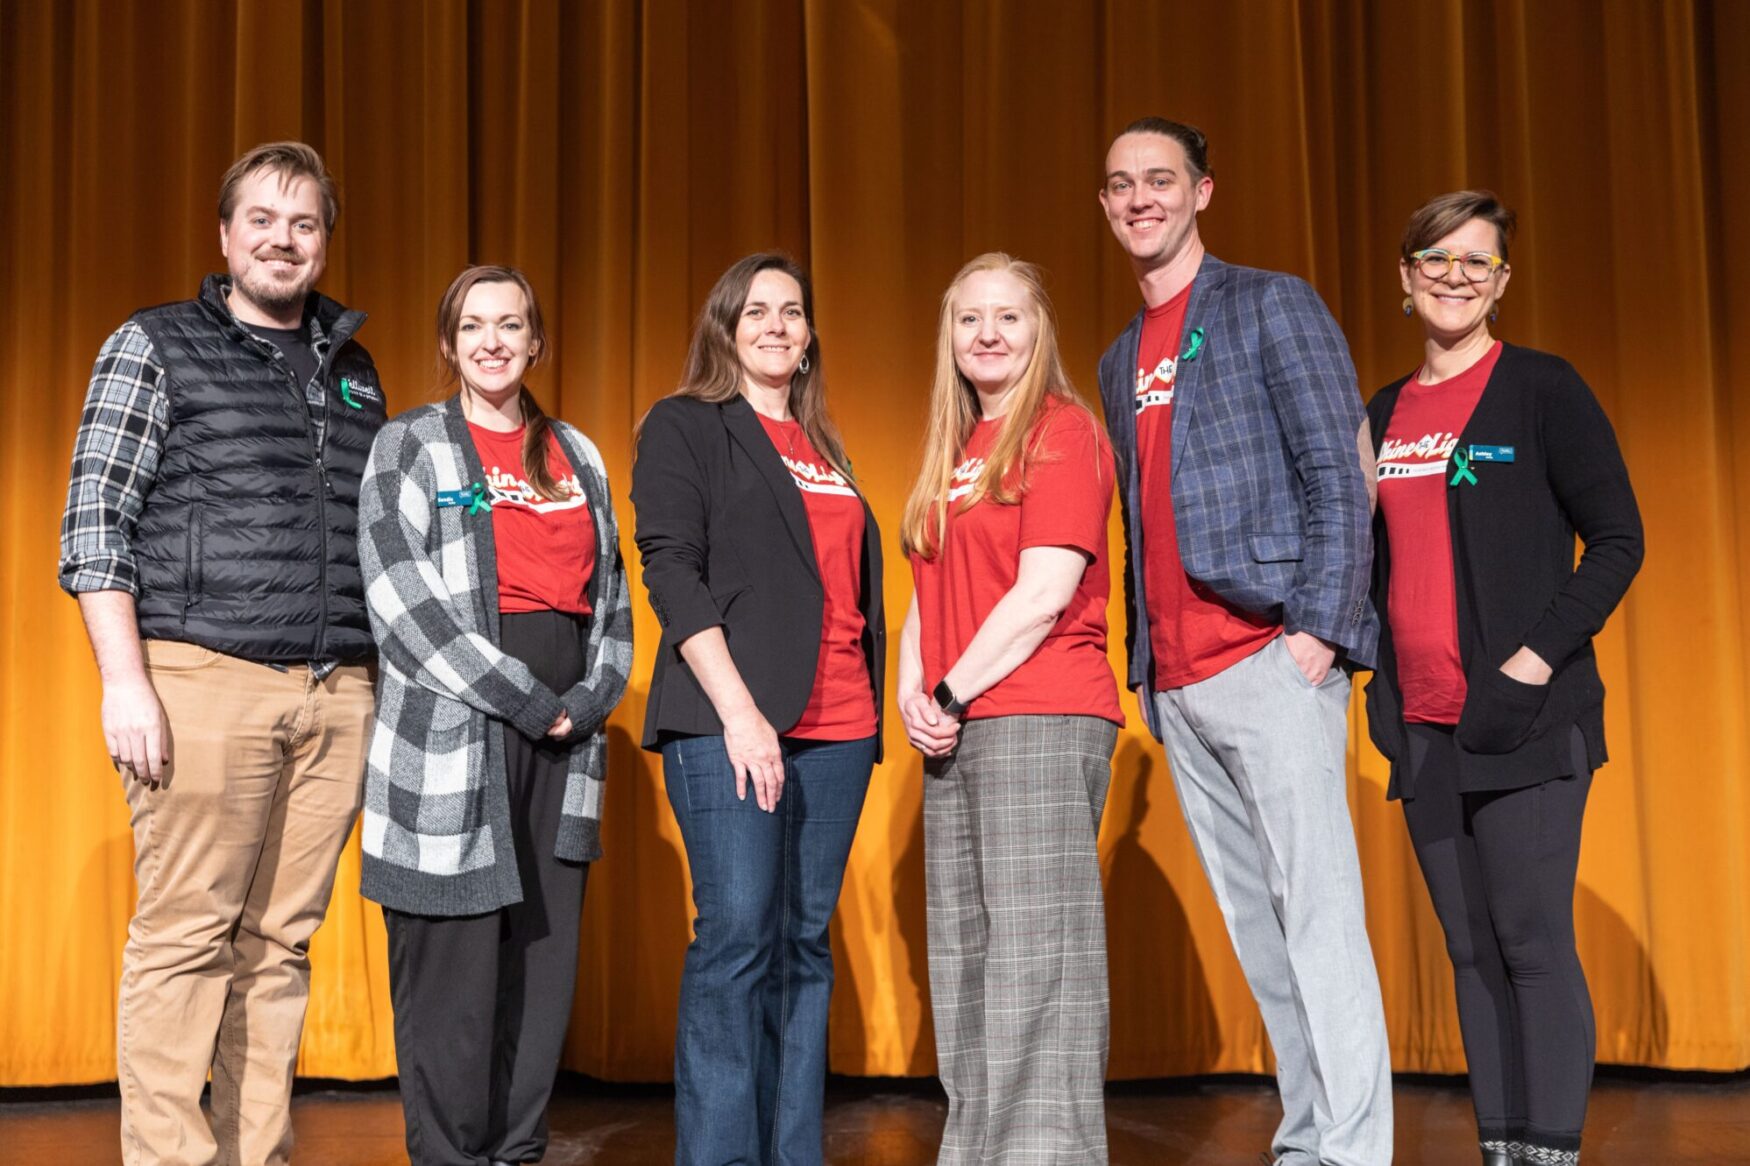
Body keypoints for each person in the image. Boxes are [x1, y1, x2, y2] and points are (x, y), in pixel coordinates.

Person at [56, 141, 385, 1165]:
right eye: (262, 220)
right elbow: (95, 518)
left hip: (337, 691)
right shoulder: (154, 343)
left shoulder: (355, 369)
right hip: (202, 677)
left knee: (279, 946)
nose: (282, 240)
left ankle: (254, 1152)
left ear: (323, 241)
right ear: (224, 234)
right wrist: (127, 682)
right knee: (186, 937)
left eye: (304, 224)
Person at [1093, 117, 1391, 1166]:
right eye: (1122, 184)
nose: (1141, 199)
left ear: (1201, 192)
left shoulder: (1270, 303)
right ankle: (1307, 1134)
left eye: (1160, 180)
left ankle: (1353, 1149)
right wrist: (1145, 673)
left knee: (1318, 922)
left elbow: (1339, 475)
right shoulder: (1118, 354)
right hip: (1177, 682)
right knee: (1263, 940)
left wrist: (1318, 630)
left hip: (1271, 656)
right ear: (1106, 204)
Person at [1365, 192, 1643, 1166]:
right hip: (1425, 729)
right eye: (1434, 258)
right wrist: (1376, 694)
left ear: (1502, 282)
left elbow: (1616, 540)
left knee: (1528, 940)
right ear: (1404, 277)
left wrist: (1526, 663)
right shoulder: (1381, 411)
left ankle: (1549, 1150)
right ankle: (1501, 1145)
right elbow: (1370, 565)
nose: (1453, 275)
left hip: (1525, 720)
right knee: (1469, 950)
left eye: (1475, 262)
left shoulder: (1540, 388)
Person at [356, 265, 632, 1166]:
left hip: (566, 737)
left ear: (535, 342)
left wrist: (591, 698)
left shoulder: (577, 455)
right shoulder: (412, 446)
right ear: (448, 344)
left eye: (510, 325)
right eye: (472, 326)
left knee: (538, 964)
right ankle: (449, 1155)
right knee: (453, 964)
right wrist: (521, 697)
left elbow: (615, 601)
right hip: (457, 729)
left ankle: (517, 1150)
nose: (492, 341)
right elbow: (402, 602)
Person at [630, 253, 884, 1165]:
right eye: (757, 310)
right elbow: (669, 568)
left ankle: (792, 1152)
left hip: (842, 725)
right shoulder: (688, 426)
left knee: (801, 946)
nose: (777, 324)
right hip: (730, 722)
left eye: (793, 312)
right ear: (725, 327)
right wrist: (741, 714)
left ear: (810, 334)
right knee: (737, 939)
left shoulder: (826, 449)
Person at [899, 252, 1122, 1163]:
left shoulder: (1062, 433)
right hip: (959, 723)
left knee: (1039, 967)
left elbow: (1042, 593)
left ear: (1040, 333)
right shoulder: (956, 450)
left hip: (1039, 711)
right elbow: (925, 588)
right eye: (969, 320)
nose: (987, 335)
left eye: (1008, 319)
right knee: (968, 963)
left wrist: (947, 688)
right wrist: (914, 693)